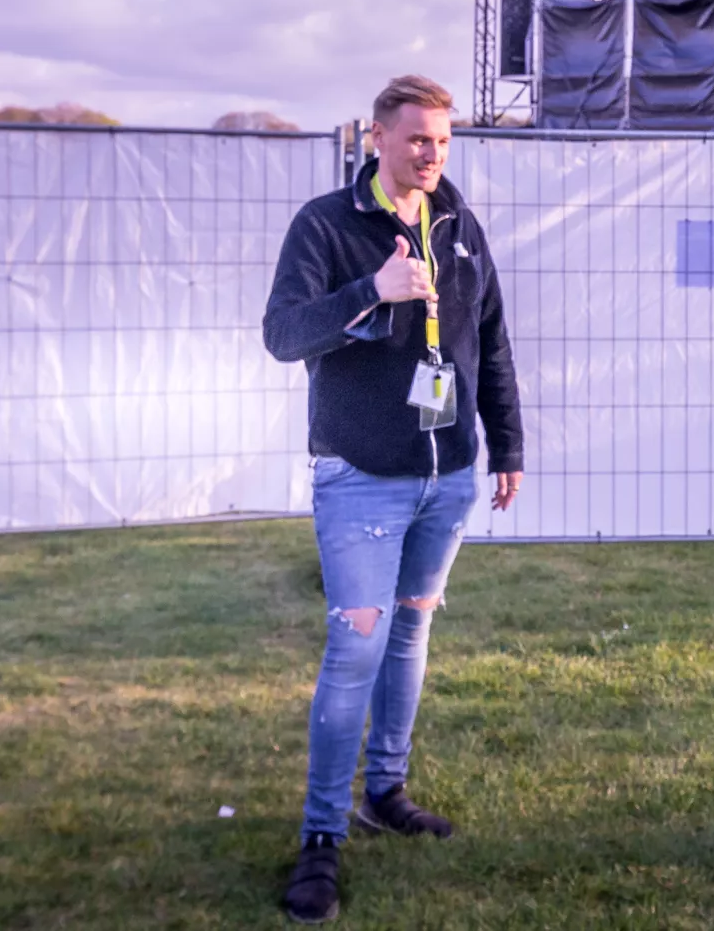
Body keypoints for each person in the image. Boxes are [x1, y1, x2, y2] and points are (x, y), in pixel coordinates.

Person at [262, 75, 525, 923]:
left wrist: (505, 444)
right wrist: (371, 290)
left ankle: (386, 790)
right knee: (356, 649)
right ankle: (320, 838)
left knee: (412, 628)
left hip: (445, 474)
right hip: (360, 472)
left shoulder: (457, 220)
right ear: (376, 135)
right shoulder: (326, 225)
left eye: (444, 142)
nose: (433, 155)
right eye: (418, 140)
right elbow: (282, 334)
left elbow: (489, 336)